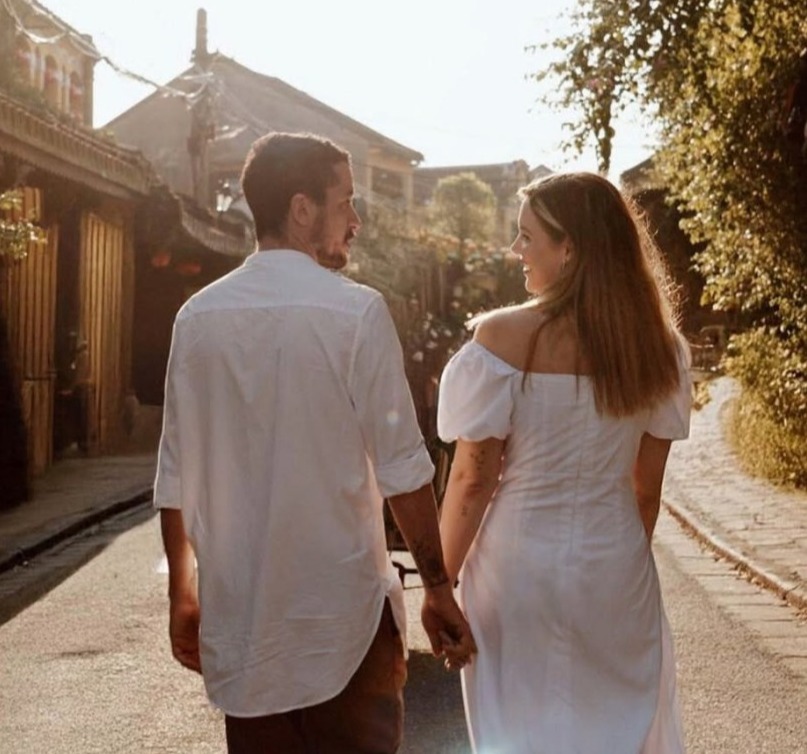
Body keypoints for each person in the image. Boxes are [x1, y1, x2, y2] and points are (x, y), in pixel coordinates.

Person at [154, 131, 475, 754]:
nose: (357, 221)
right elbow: (404, 470)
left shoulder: (197, 318)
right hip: (345, 629)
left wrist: (182, 597)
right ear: (302, 209)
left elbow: (176, 476)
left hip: (245, 630)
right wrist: (437, 589)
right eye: (346, 202)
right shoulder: (355, 313)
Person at [437, 172, 691, 753]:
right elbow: (645, 491)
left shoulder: (500, 338)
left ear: (568, 247)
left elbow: (473, 480)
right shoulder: (660, 348)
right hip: (614, 566)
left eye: (526, 237)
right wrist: (617, 561)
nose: (516, 251)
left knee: (519, 734)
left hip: (515, 570)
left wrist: (439, 584)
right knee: (611, 731)